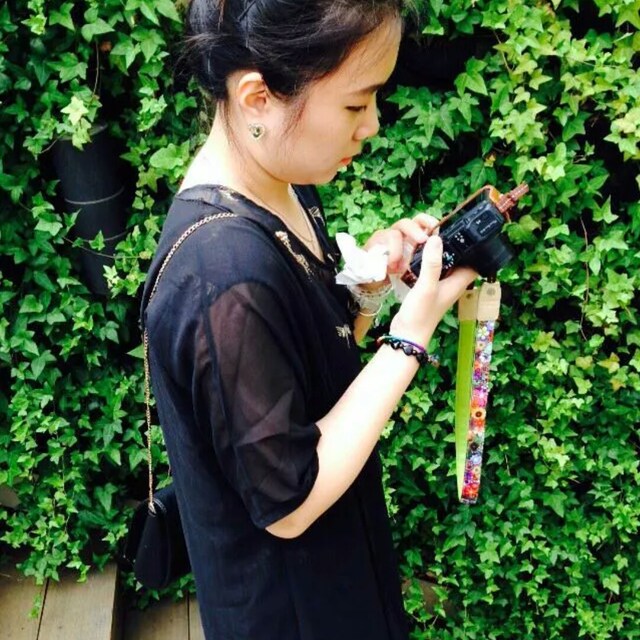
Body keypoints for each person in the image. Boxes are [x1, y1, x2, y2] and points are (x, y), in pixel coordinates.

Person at [143, 1, 477, 638]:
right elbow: (288, 503)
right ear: (258, 98)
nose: (372, 126)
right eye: (356, 104)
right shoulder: (222, 275)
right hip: (290, 610)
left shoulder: (284, 185)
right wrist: (411, 335)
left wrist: (369, 288)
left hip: (338, 566)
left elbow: (307, 360)